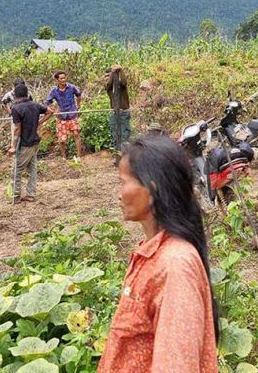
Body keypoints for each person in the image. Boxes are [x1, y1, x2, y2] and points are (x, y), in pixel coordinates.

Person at [98, 135, 219, 373]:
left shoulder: (175, 265)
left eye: (123, 182)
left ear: (152, 190)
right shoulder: (154, 253)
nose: (119, 194)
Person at [9, 83, 53, 203]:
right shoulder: (34, 105)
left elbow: (17, 129)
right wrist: (40, 122)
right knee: (32, 168)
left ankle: (16, 196)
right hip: (35, 141)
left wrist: (13, 146)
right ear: (26, 93)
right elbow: (50, 111)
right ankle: (31, 194)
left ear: (15, 95)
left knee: (16, 170)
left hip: (26, 143)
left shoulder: (16, 108)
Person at [46, 70, 83, 159]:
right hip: (61, 117)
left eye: (64, 78)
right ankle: (64, 157)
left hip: (72, 115)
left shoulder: (71, 87)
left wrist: (78, 106)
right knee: (61, 139)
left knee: (76, 135)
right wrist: (55, 110)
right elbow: (48, 101)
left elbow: (78, 94)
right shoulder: (54, 91)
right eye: (61, 78)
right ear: (57, 80)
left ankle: (78, 156)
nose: (63, 80)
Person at [104, 65, 131, 149]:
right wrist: (112, 72)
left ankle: (124, 155)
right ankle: (118, 155)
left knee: (124, 135)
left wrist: (120, 70)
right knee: (115, 135)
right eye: (105, 76)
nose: (106, 78)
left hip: (123, 113)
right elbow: (109, 84)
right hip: (114, 113)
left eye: (108, 76)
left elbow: (124, 82)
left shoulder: (121, 85)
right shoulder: (108, 87)